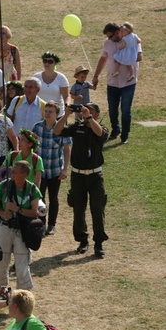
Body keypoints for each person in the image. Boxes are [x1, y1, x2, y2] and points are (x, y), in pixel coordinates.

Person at [54, 102, 108, 257]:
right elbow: (57, 131)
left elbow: (100, 134)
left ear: (96, 114)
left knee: (97, 209)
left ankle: (99, 243)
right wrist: (65, 115)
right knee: (78, 209)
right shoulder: (77, 128)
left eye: (90, 111)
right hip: (78, 175)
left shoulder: (101, 128)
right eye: (84, 110)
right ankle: (82, 240)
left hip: (95, 175)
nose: (85, 113)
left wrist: (89, 118)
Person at [0, 161, 41, 290]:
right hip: (3, 228)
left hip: (22, 230)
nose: (11, 173)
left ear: (24, 174)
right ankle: (2, 292)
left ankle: (23, 295)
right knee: (1, 261)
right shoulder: (4, 186)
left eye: (15, 171)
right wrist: (2, 213)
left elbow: (35, 212)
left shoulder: (33, 189)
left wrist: (17, 209)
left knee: (22, 263)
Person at [92, 22, 141, 144]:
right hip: (112, 82)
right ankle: (115, 129)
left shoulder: (132, 39)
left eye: (110, 36)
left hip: (128, 82)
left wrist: (125, 57)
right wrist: (96, 75)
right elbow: (103, 58)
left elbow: (139, 56)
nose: (109, 39)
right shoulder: (107, 43)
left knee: (125, 109)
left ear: (118, 32)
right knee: (112, 108)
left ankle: (125, 135)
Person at [32, 102, 71, 236]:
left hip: (55, 170)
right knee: (40, 197)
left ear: (57, 114)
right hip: (40, 171)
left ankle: (52, 224)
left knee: (53, 198)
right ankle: (41, 223)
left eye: (51, 112)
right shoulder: (37, 127)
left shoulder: (62, 129)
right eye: (46, 111)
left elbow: (66, 150)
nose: (47, 114)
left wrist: (65, 169)